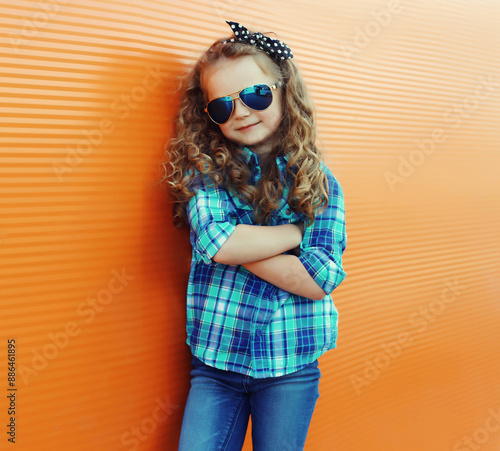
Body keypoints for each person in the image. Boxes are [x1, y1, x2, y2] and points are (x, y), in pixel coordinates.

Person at [163, 20, 347, 451]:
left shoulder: (318, 182)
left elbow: (318, 279)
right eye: (222, 107)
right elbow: (216, 242)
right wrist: (293, 232)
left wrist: (232, 245)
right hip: (215, 364)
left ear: (284, 89)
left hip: (291, 367)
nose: (241, 112)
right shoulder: (205, 173)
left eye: (255, 95)